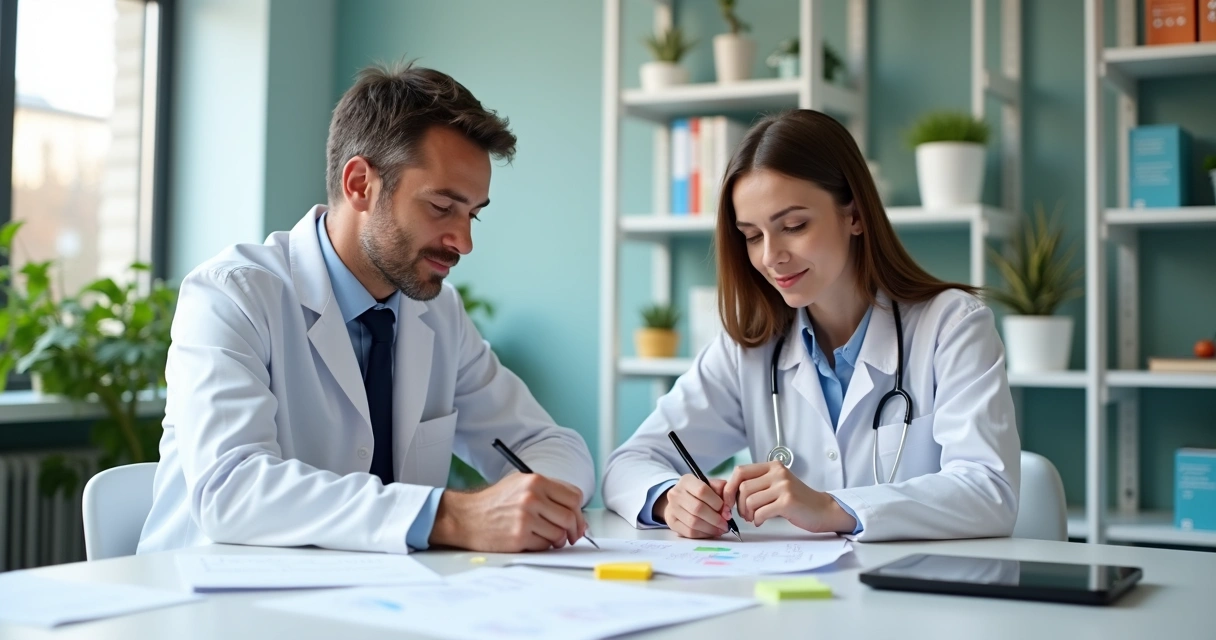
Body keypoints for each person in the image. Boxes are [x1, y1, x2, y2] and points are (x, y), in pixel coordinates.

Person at [138, 62, 595, 555]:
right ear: (359, 184)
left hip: (372, 603)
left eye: (472, 214)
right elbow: (232, 489)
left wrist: (536, 501)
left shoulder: (439, 315)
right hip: (214, 607)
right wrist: (452, 516)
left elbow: (556, 447)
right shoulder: (233, 295)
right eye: (442, 207)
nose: (463, 242)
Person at [602, 109, 1020, 542]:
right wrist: (672, 499)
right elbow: (628, 462)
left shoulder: (951, 325)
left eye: (794, 226)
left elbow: (990, 491)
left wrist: (828, 506)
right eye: (751, 235)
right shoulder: (750, 346)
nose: (770, 256)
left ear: (854, 215)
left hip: (917, 596)